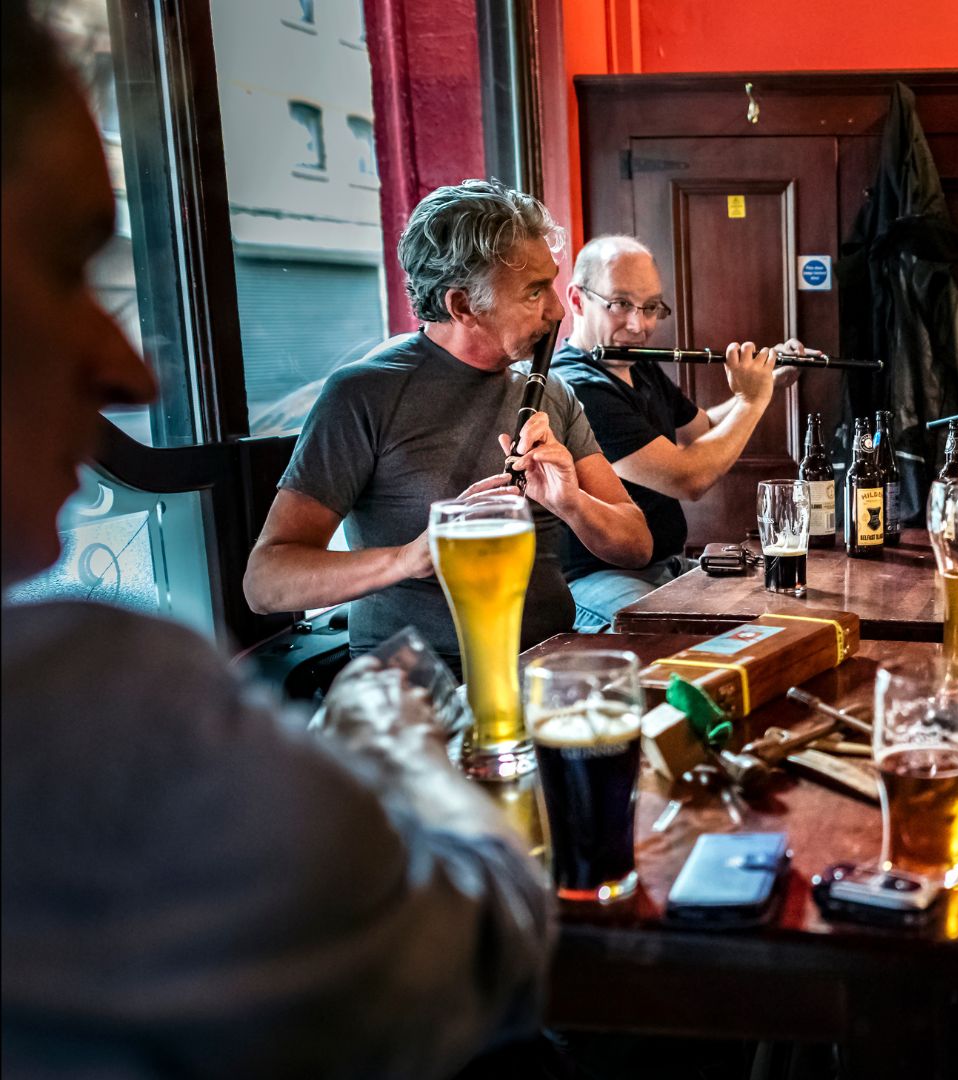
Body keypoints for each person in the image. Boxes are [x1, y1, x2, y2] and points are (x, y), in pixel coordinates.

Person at [0, 3, 551, 1074]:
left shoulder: (542, 387)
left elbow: (640, 516)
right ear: (459, 297)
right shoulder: (84, 697)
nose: (135, 374)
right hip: (431, 708)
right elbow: (481, 957)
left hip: (536, 673)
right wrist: (397, 715)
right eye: (66, 263)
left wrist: (574, 500)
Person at [244, 182, 653, 666]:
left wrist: (573, 503)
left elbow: (636, 546)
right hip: (419, 680)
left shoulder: (551, 392)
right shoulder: (363, 395)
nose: (558, 311)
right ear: (462, 306)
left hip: (548, 666)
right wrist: (410, 558)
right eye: (534, 292)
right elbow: (265, 581)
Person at [550, 235, 800, 629]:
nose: (639, 325)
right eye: (620, 304)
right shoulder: (575, 386)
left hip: (667, 565)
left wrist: (770, 380)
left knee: (775, 616)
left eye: (650, 307)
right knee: (675, 642)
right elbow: (689, 477)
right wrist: (753, 402)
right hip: (598, 580)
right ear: (578, 300)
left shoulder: (638, 366)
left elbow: (704, 430)